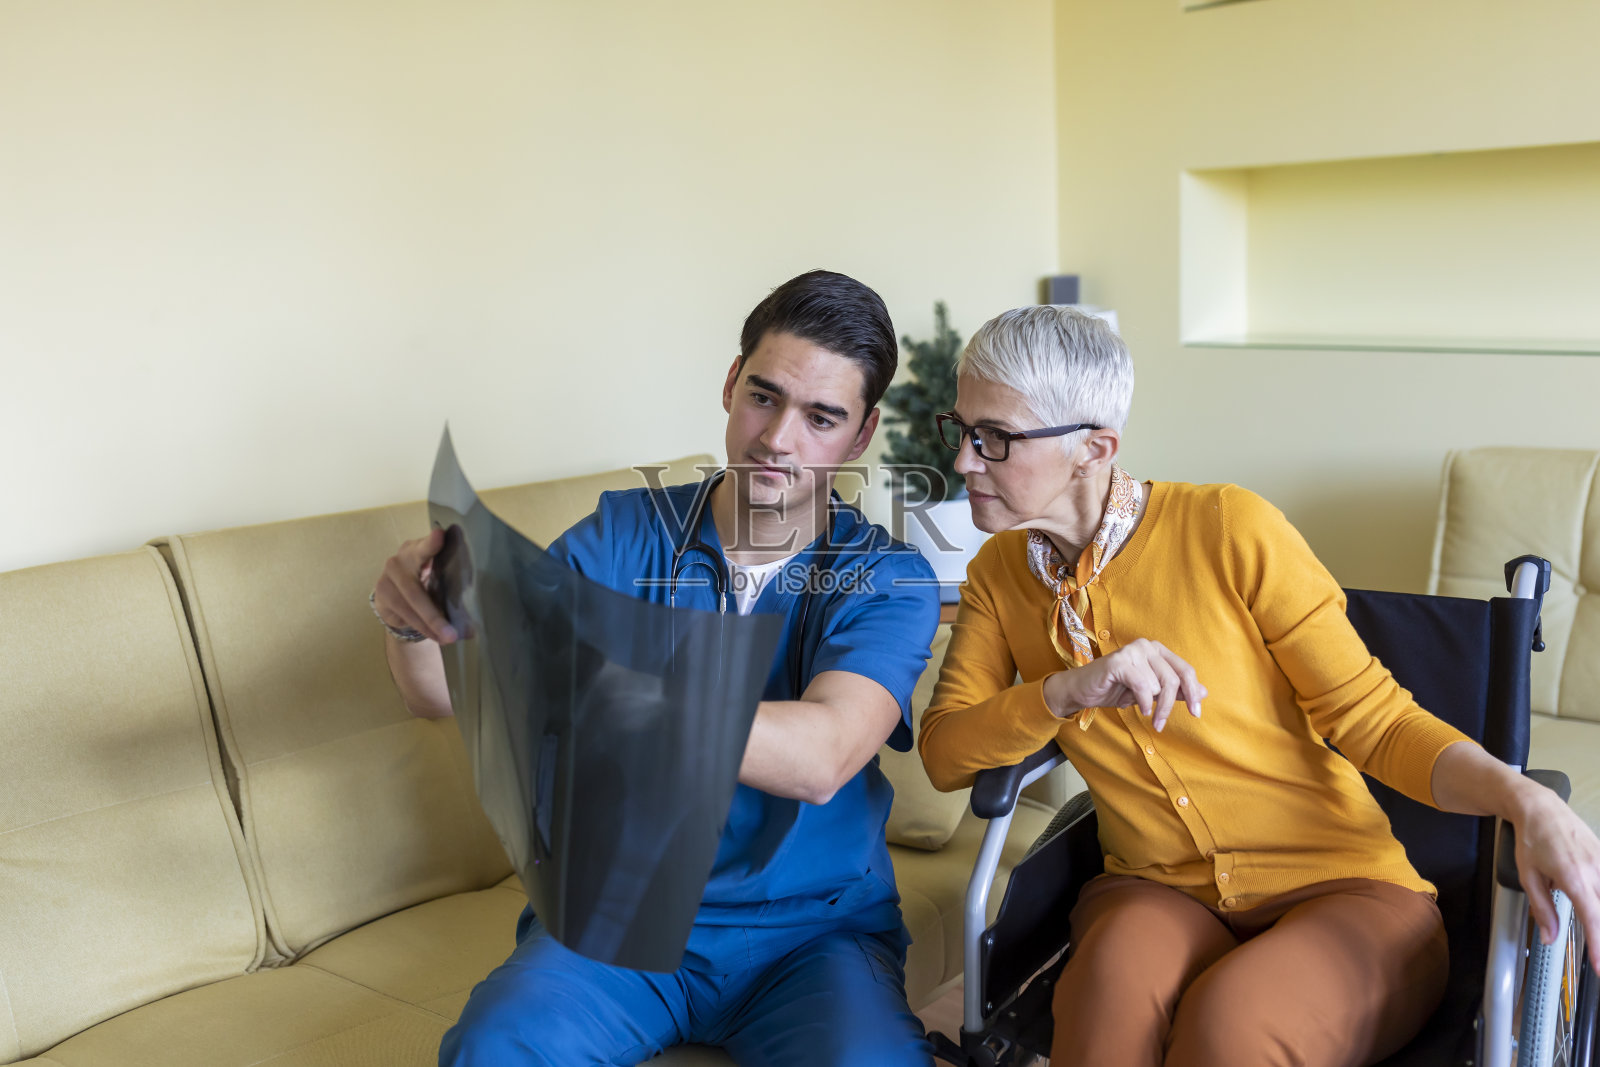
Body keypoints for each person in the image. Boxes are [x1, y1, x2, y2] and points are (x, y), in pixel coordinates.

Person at [918, 305, 1600, 1067]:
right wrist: (1067, 690)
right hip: (1153, 889)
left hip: (1346, 890)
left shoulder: (1229, 527)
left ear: (1095, 447)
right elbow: (946, 754)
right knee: (1103, 1025)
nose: (967, 461)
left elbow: (1376, 720)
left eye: (996, 439)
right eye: (963, 429)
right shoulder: (994, 577)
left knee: (1227, 1029)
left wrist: (1522, 797)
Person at [371, 270, 941, 1066]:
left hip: (811, 934)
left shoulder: (885, 577)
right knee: (492, 1048)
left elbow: (821, 757)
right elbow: (437, 691)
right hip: (621, 915)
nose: (778, 438)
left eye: (821, 417)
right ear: (729, 383)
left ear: (861, 434)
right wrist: (409, 615)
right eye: (764, 396)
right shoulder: (624, 534)